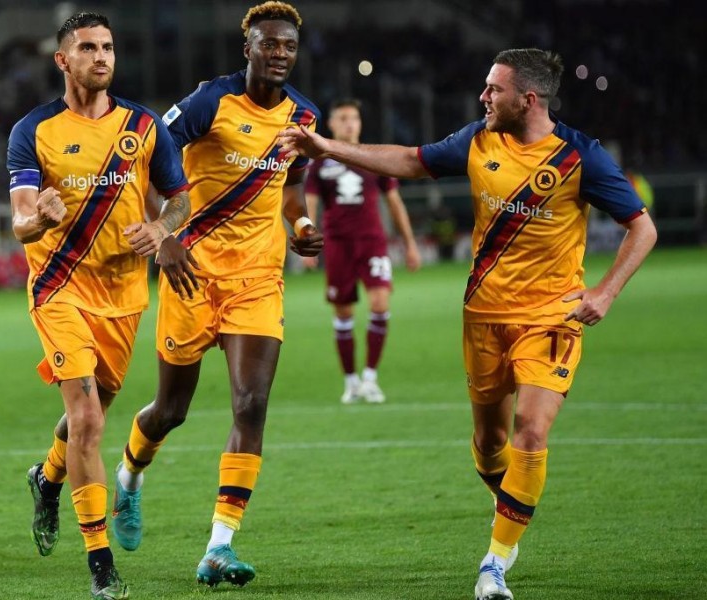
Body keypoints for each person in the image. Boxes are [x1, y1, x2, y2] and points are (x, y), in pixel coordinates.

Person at [278, 48, 657, 600]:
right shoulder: (477, 141)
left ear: (527, 99)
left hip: (551, 317)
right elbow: (409, 160)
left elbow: (641, 229)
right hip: (483, 317)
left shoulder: (581, 158)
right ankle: (511, 504)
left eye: (493, 90)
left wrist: (605, 291)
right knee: (489, 443)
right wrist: (328, 146)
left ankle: (494, 564)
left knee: (532, 426)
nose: (483, 97)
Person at [109, 1, 324, 589]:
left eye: (288, 46)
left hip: (257, 280)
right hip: (190, 274)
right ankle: (129, 477)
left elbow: (292, 187)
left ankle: (218, 547)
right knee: (170, 410)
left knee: (251, 404)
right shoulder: (211, 102)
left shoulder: (304, 115)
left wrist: (299, 226)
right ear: (247, 47)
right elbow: (146, 158)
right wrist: (165, 236)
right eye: (268, 43)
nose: (279, 53)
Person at [6, 12, 196, 600]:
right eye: (87, 48)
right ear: (62, 60)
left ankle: (47, 478)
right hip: (59, 288)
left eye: (108, 47)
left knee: (86, 415)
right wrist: (40, 217)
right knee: (89, 421)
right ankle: (100, 565)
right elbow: (19, 223)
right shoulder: (32, 131)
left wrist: (162, 231)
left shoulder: (143, 125)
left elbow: (180, 201)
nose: (102, 57)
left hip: (124, 297)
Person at [303, 98, 422, 404]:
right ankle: (350, 381)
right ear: (330, 124)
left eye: (353, 118)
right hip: (338, 245)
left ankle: (370, 377)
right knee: (343, 313)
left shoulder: (375, 158)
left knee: (380, 304)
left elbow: (395, 203)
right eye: (342, 118)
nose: (349, 123)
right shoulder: (318, 163)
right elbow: (311, 203)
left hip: (372, 242)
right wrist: (308, 241)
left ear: (360, 123)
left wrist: (409, 244)